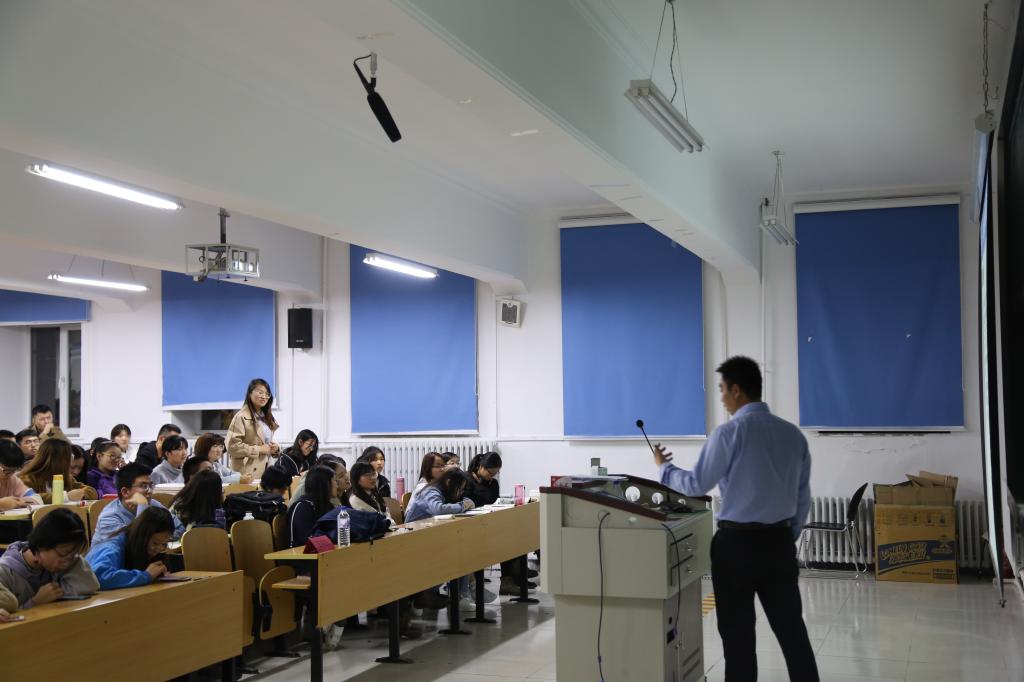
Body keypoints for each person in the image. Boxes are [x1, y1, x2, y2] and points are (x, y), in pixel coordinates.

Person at [654, 356, 818, 682]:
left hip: (736, 548)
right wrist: (785, 538)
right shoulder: (793, 436)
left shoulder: (728, 434)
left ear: (737, 390)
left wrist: (664, 468)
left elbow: (696, 484)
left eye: (722, 390)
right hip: (778, 545)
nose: (721, 398)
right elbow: (803, 498)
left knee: (738, 638)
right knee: (792, 633)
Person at [0, 508, 99, 609]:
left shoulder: (61, 562)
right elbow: (6, 616)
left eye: (72, 556)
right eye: (62, 554)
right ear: (41, 545)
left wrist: (72, 556)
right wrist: (35, 602)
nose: (66, 563)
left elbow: (89, 585)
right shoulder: (6, 572)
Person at [92, 463, 184, 546]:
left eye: (151, 485)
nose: (150, 491)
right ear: (125, 492)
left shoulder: (153, 504)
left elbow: (179, 528)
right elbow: (134, 545)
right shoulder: (109, 517)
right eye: (143, 486)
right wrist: (142, 506)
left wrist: (159, 539)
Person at [86, 506, 173, 589]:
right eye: (155, 543)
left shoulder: (139, 547)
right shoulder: (112, 547)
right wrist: (145, 576)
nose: (159, 549)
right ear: (142, 536)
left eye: (164, 544)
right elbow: (96, 578)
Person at [226, 378, 280, 479]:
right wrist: (259, 449)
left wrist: (275, 448)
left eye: (267, 394)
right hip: (246, 470)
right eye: (260, 392)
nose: (264, 396)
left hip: (265, 467)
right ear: (250, 393)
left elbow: (264, 442)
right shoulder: (241, 416)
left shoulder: (267, 417)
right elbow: (232, 446)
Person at [19, 439, 97, 503]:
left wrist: (81, 493)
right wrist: (66, 496)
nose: (70, 462)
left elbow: (91, 491)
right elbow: (30, 498)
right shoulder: (28, 479)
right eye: (69, 458)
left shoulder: (66, 478)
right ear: (56, 460)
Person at [285, 465, 336, 548]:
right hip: (301, 554)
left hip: (325, 552)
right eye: (335, 481)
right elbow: (307, 541)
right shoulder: (302, 507)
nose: (337, 485)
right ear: (326, 484)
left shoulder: (328, 506)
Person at [404, 468, 475, 522]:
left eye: (462, 490)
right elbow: (438, 509)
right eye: (459, 489)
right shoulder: (431, 491)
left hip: (428, 526)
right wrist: (463, 506)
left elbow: (461, 500)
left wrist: (467, 501)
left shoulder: (446, 490)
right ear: (448, 482)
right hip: (412, 529)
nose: (461, 493)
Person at [0, 440, 42, 510]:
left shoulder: (12, 479)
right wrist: (2, 504)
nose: (10, 474)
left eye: (13, 470)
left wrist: (17, 502)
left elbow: (37, 499)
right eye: (6, 470)